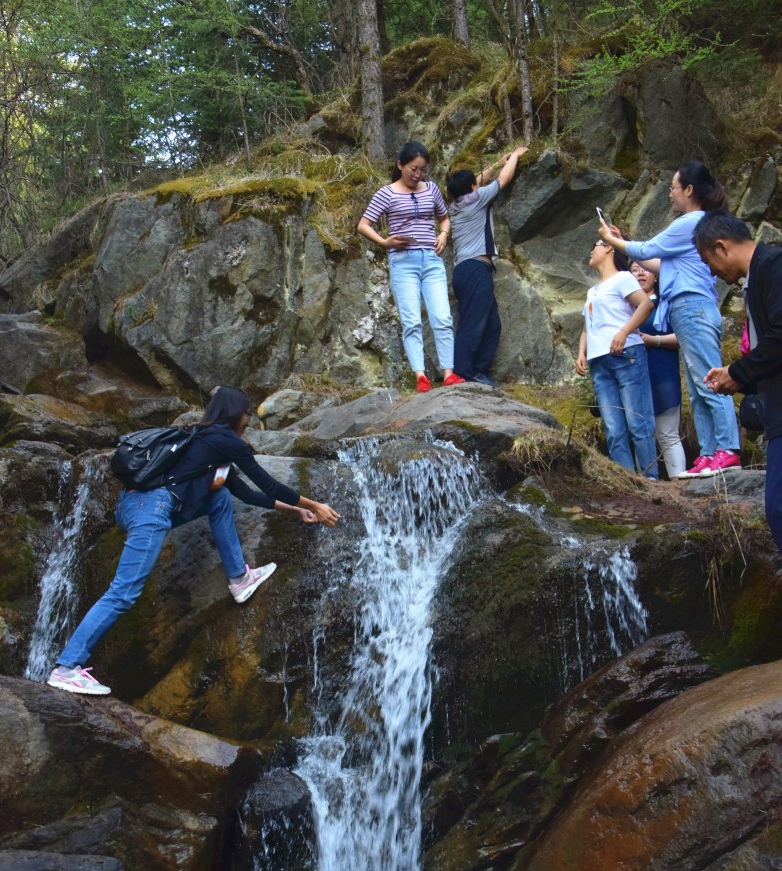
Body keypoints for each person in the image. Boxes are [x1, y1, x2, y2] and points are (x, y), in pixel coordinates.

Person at [47, 386, 340, 696]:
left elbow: (247, 493)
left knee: (220, 497)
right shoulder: (224, 440)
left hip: (135, 507)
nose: (248, 419)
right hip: (152, 509)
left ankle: (239, 577)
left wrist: (297, 510)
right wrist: (315, 505)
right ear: (234, 415)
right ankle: (67, 668)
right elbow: (267, 483)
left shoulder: (206, 442)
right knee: (123, 593)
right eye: (246, 413)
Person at [597, 160, 741, 478]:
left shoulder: (691, 221)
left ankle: (728, 449)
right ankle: (708, 453)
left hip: (692, 307)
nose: (670, 195)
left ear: (689, 190)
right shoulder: (697, 225)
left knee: (711, 379)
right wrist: (624, 243)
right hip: (687, 308)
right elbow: (661, 264)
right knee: (700, 382)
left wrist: (612, 239)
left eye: (673, 188)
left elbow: (650, 248)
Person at [693, 211, 782, 552]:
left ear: (721, 246)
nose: (713, 272)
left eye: (708, 262)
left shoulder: (773, 265)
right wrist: (738, 380)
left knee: (777, 506)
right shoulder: (760, 273)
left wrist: (738, 372)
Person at [358, 140, 464, 393]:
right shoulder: (386, 193)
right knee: (412, 320)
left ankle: (448, 373)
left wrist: (444, 235)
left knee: (442, 317)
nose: (418, 174)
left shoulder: (431, 190)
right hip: (402, 261)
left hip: (431, 259)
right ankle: (421, 376)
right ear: (400, 165)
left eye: (423, 169)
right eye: (413, 169)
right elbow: (363, 225)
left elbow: (444, 218)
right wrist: (385, 242)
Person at [446, 145, 529, 385]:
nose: (479, 185)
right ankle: (463, 372)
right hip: (474, 270)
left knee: (491, 325)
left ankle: (478, 370)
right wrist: (514, 156)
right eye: (476, 184)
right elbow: (504, 179)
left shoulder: (457, 204)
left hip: (468, 271)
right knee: (473, 323)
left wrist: (496, 163)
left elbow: (475, 181)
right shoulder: (477, 199)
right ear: (473, 188)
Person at [576, 239, 658, 479]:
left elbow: (645, 305)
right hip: (598, 360)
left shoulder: (623, 278)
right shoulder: (593, 291)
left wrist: (623, 332)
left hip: (626, 354)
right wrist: (581, 353)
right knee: (613, 427)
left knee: (637, 421)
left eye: (597, 245)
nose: (591, 249)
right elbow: (586, 328)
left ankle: (650, 479)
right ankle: (627, 481)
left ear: (609, 249)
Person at [629, 261, 687, 478]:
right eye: (634, 270)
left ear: (657, 275)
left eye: (645, 269)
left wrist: (655, 340)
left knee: (667, 433)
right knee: (641, 434)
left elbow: (684, 336)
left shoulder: (666, 303)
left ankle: (679, 482)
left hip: (662, 372)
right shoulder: (625, 306)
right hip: (634, 377)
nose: (640, 273)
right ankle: (646, 484)